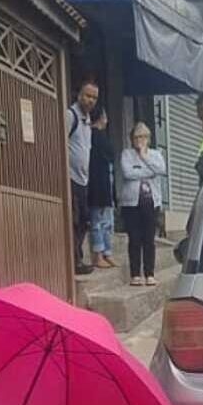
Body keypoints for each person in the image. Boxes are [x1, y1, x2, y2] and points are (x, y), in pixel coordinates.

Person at [118, 123, 166, 287]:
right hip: (131, 203)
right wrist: (148, 171)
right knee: (134, 238)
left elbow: (160, 169)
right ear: (132, 139)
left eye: (144, 136)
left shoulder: (155, 154)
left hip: (151, 202)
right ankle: (135, 274)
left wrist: (144, 158)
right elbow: (128, 173)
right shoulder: (126, 153)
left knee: (149, 239)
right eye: (137, 137)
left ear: (149, 139)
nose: (141, 140)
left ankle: (150, 273)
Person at [66, 80, 99, 276]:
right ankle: (75, 260)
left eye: (94, 97)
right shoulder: (71, 116)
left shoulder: (87, 120)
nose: (90, 100)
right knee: (75, 220)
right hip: (70, 177)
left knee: (84, 220)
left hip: (83, 179)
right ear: (79, 95)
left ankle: (77, 257)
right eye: (87, 96)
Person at [87, 106, 116, 270]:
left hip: (101, 182)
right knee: (98, 221)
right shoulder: (95, 136)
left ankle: (106, 252)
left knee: (104, 221)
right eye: (105, 116)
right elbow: (111, 154)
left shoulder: (93, 136)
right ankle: (99, 254)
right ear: (101, 117)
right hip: (97, 183)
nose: (107, 120)